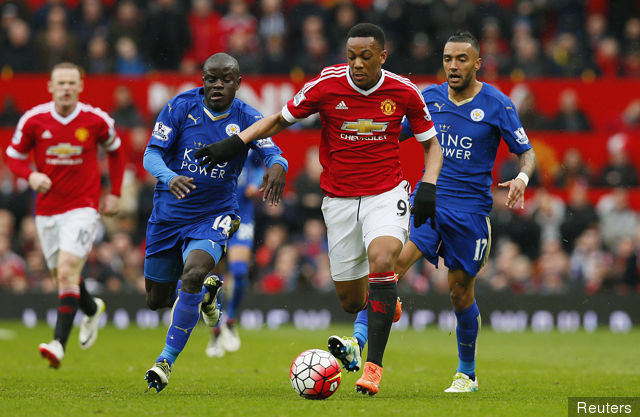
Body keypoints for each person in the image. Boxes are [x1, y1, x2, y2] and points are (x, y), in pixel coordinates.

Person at [194, 23, 442, 396]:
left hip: (386, 194)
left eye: (365, 56)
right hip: (339, 200)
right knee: (352, 301)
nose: (357, 64)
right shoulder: (325, 84)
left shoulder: (403, 91)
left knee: (383, 257)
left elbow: (432, 145)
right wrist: (236, 142)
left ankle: (373, 368)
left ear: (383, 56)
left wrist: (428, 186)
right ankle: (386, 303)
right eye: (351, 56)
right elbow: (279, 119)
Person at [348, 31, 537, 393]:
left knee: (459, 293)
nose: (453, 65)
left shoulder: (498, 104)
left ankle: (467, 373)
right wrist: (356, 131)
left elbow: (526, 151)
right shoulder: (428, 98)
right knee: (388, 265)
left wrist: (523, 178)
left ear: (477, 63)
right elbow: (390, 132)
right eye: (448, 58)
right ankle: (358, 342)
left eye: (461, 59)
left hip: (470, 213)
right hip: (428, 201)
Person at [142, 53, 287, 392]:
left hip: (215, 214)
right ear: (202, 79)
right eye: (211, 78)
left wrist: (279, 164)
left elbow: (272, 150)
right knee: (156, 299)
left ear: (239, 82)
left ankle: (165, 361)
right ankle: (209, 301)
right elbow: (151, 153)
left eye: (226, 79)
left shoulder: (248, 117)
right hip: (167, 217)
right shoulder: (179, 107)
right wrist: (169, 175)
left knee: (193, 274)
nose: (218, 85)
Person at [4, 62, 125, 368]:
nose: (67, 88)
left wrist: (115, 192)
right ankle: (91, 307)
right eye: (61, 83)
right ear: (51, 87)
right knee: (62, 276)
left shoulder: (96, 120)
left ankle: (58, 344)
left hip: (83, 207)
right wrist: (30, 176)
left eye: (72, 83)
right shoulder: (34, 120)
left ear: (80, 86)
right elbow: (13, 157)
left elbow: (117, 151)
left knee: (68, 269)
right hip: (46, 211)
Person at [205, 149, 265, 357]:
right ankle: (216, 329)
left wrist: (256, 183)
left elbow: (259, 166)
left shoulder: (248, 137)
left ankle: (230, 320)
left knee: (239, 272)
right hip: (215, 214)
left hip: (243, 214)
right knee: (215, 275)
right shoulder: (212, 137)